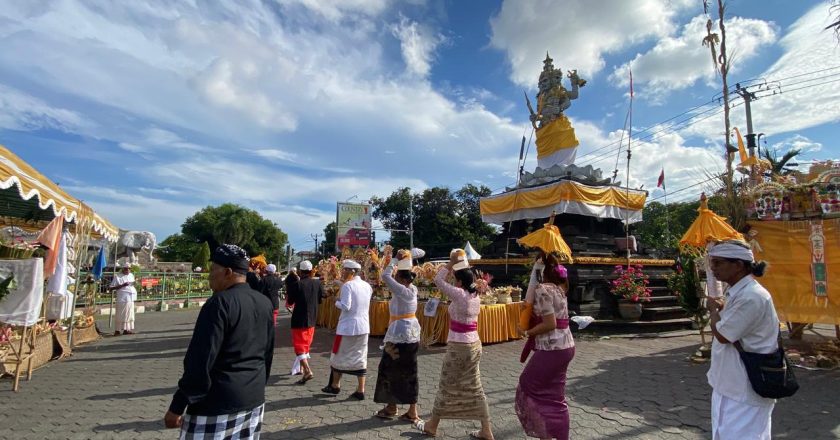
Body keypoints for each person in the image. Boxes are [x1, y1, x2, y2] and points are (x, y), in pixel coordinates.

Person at [164, 244, 275, 439]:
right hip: (253, 396)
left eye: (213, 269)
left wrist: (178, 405)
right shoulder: (264, 302)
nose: (209, 276)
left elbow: (201, 359)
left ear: (228, 272)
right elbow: (268, 353)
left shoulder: (219, 303)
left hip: (218, 401)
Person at [415, 249, 494, 440]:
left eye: (455, 279)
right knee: (475, 386)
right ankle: (486, 429)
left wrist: (451, 263)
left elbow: (438, 280)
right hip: (474, 345)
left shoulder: (459, 294)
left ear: (459, 282)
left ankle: (432, 425)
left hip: (459, 347)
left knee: (446, 384)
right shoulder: (475, 296)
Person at [706, 240, 777, 440]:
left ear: (738, 265)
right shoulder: (738, 292)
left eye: (718, 263)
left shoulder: (752, 296)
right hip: (729, 384)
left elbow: (723, 335)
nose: (713, 268)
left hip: (745, 387)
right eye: (712, 263)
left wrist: (713, 311)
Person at [516, 253, 575, 440]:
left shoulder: (543, 289)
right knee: (555, 396)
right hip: (565, 347)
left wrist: (528, 332)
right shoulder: (559, 287)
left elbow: (550, 324)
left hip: (552, 348)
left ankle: (545, 433)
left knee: (528, 387)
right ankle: (558, 435)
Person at [373, 250, 422, 422]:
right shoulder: (413, 289)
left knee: (389, 369)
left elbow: (385, 276)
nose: (394, 279)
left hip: (399, 334)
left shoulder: (402, 290)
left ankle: (392, 407)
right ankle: (410, 410)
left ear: (402, 279)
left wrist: (394, 259)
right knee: (409, 370)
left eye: (397, 277)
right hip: (410, 333)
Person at [322, 259, 372, 400]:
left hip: (347, 328)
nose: (342, 272)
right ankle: (360, 389)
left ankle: (335, 385)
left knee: (337, 355)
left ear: (351, 272)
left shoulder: (348, 286)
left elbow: (346, 306)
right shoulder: (367, 286)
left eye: (344, 270)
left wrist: (335, 301)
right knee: (360, 356)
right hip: (363, 327)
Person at [288, 260, 324, 383]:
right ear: (311, 271)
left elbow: (290, 301)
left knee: (299, 346)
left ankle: (307, 370)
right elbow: (321, 298)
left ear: (300, 271)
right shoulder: (317, 283)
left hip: (299, 320)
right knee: (306, 345)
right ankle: (301, 368)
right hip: (312, 319)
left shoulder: (297, 284)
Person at [109, 263, 137, 336]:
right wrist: (122, 285)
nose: (127, 270)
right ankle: (117, 330)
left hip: (130, 298)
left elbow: (132, 284)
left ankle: (126, 329)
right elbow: (111, 288)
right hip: (122, 298)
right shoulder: (118, 276)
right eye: (126, 269)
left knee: (129, 314)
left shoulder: (131, 275)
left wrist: (134, 283)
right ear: (123, 269)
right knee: (120, 314)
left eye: (129, 269)